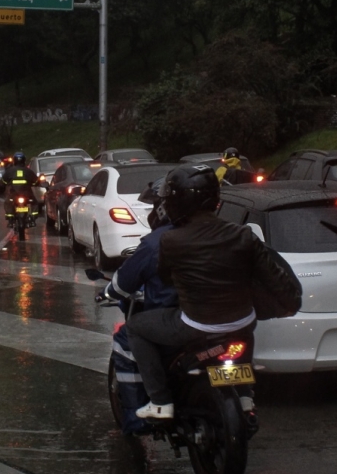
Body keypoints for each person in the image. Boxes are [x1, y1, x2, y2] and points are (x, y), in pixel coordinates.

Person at [127, 164, 302, 420]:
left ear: (177, 201)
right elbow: (274, 278)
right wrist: (290, 304)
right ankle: (244, 396)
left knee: (135, 327)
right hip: (243, 322)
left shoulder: (171, 241)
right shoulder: (244, 235)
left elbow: (166, 277)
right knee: (242, 330)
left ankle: (160, 401)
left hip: (195, 326)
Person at [100, 179, 177, 434]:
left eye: (153, 207)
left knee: (127, 339)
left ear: (163, 207)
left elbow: (124, 282)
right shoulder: (224, 232)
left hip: (179, 321)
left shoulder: (157, 242)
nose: (150, 212)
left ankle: (137, 420)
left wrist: (109, 292)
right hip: (234, 317)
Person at [1, 151, 40, 215]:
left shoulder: (9, 171)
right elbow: (36, 181)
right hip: (27, 193)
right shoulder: (28, 171)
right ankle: (33, 216)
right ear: (24, 160)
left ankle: (10, 217)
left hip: (13, 193)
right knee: (34, 202)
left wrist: (3, 185)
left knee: (8, 202)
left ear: (14, 160)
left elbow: (3, 181)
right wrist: (36, 184)